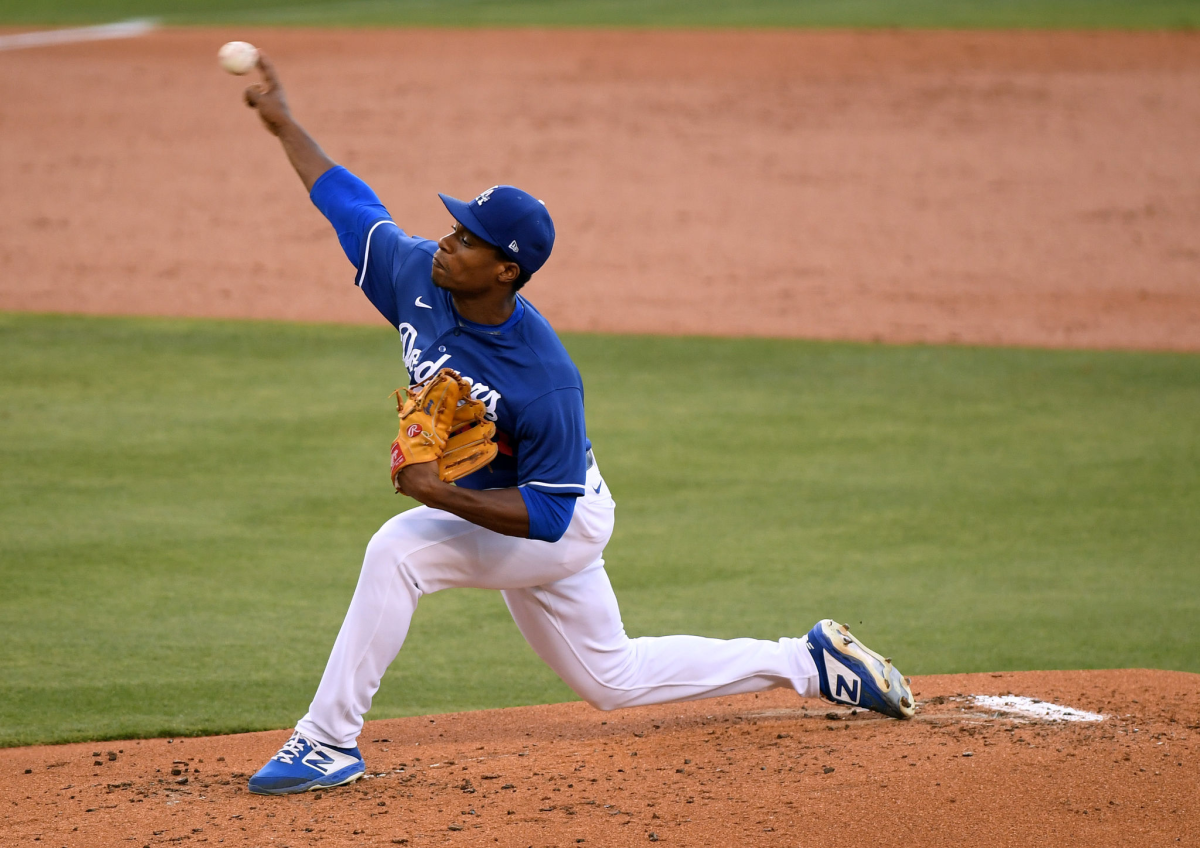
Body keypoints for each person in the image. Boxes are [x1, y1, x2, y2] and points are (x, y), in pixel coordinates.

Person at [238, 54, 915, 796]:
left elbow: (552, 516)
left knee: (396, 551)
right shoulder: (413, 274)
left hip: (559, 517)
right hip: (507, 509)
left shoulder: (545, 377)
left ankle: (328, 741)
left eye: (467, 240)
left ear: (506, 271)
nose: (447, 242)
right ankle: (810, 664)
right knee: (612, 679)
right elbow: (347, 202)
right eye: (453, 228)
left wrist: (439, 495)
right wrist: (284, 124)